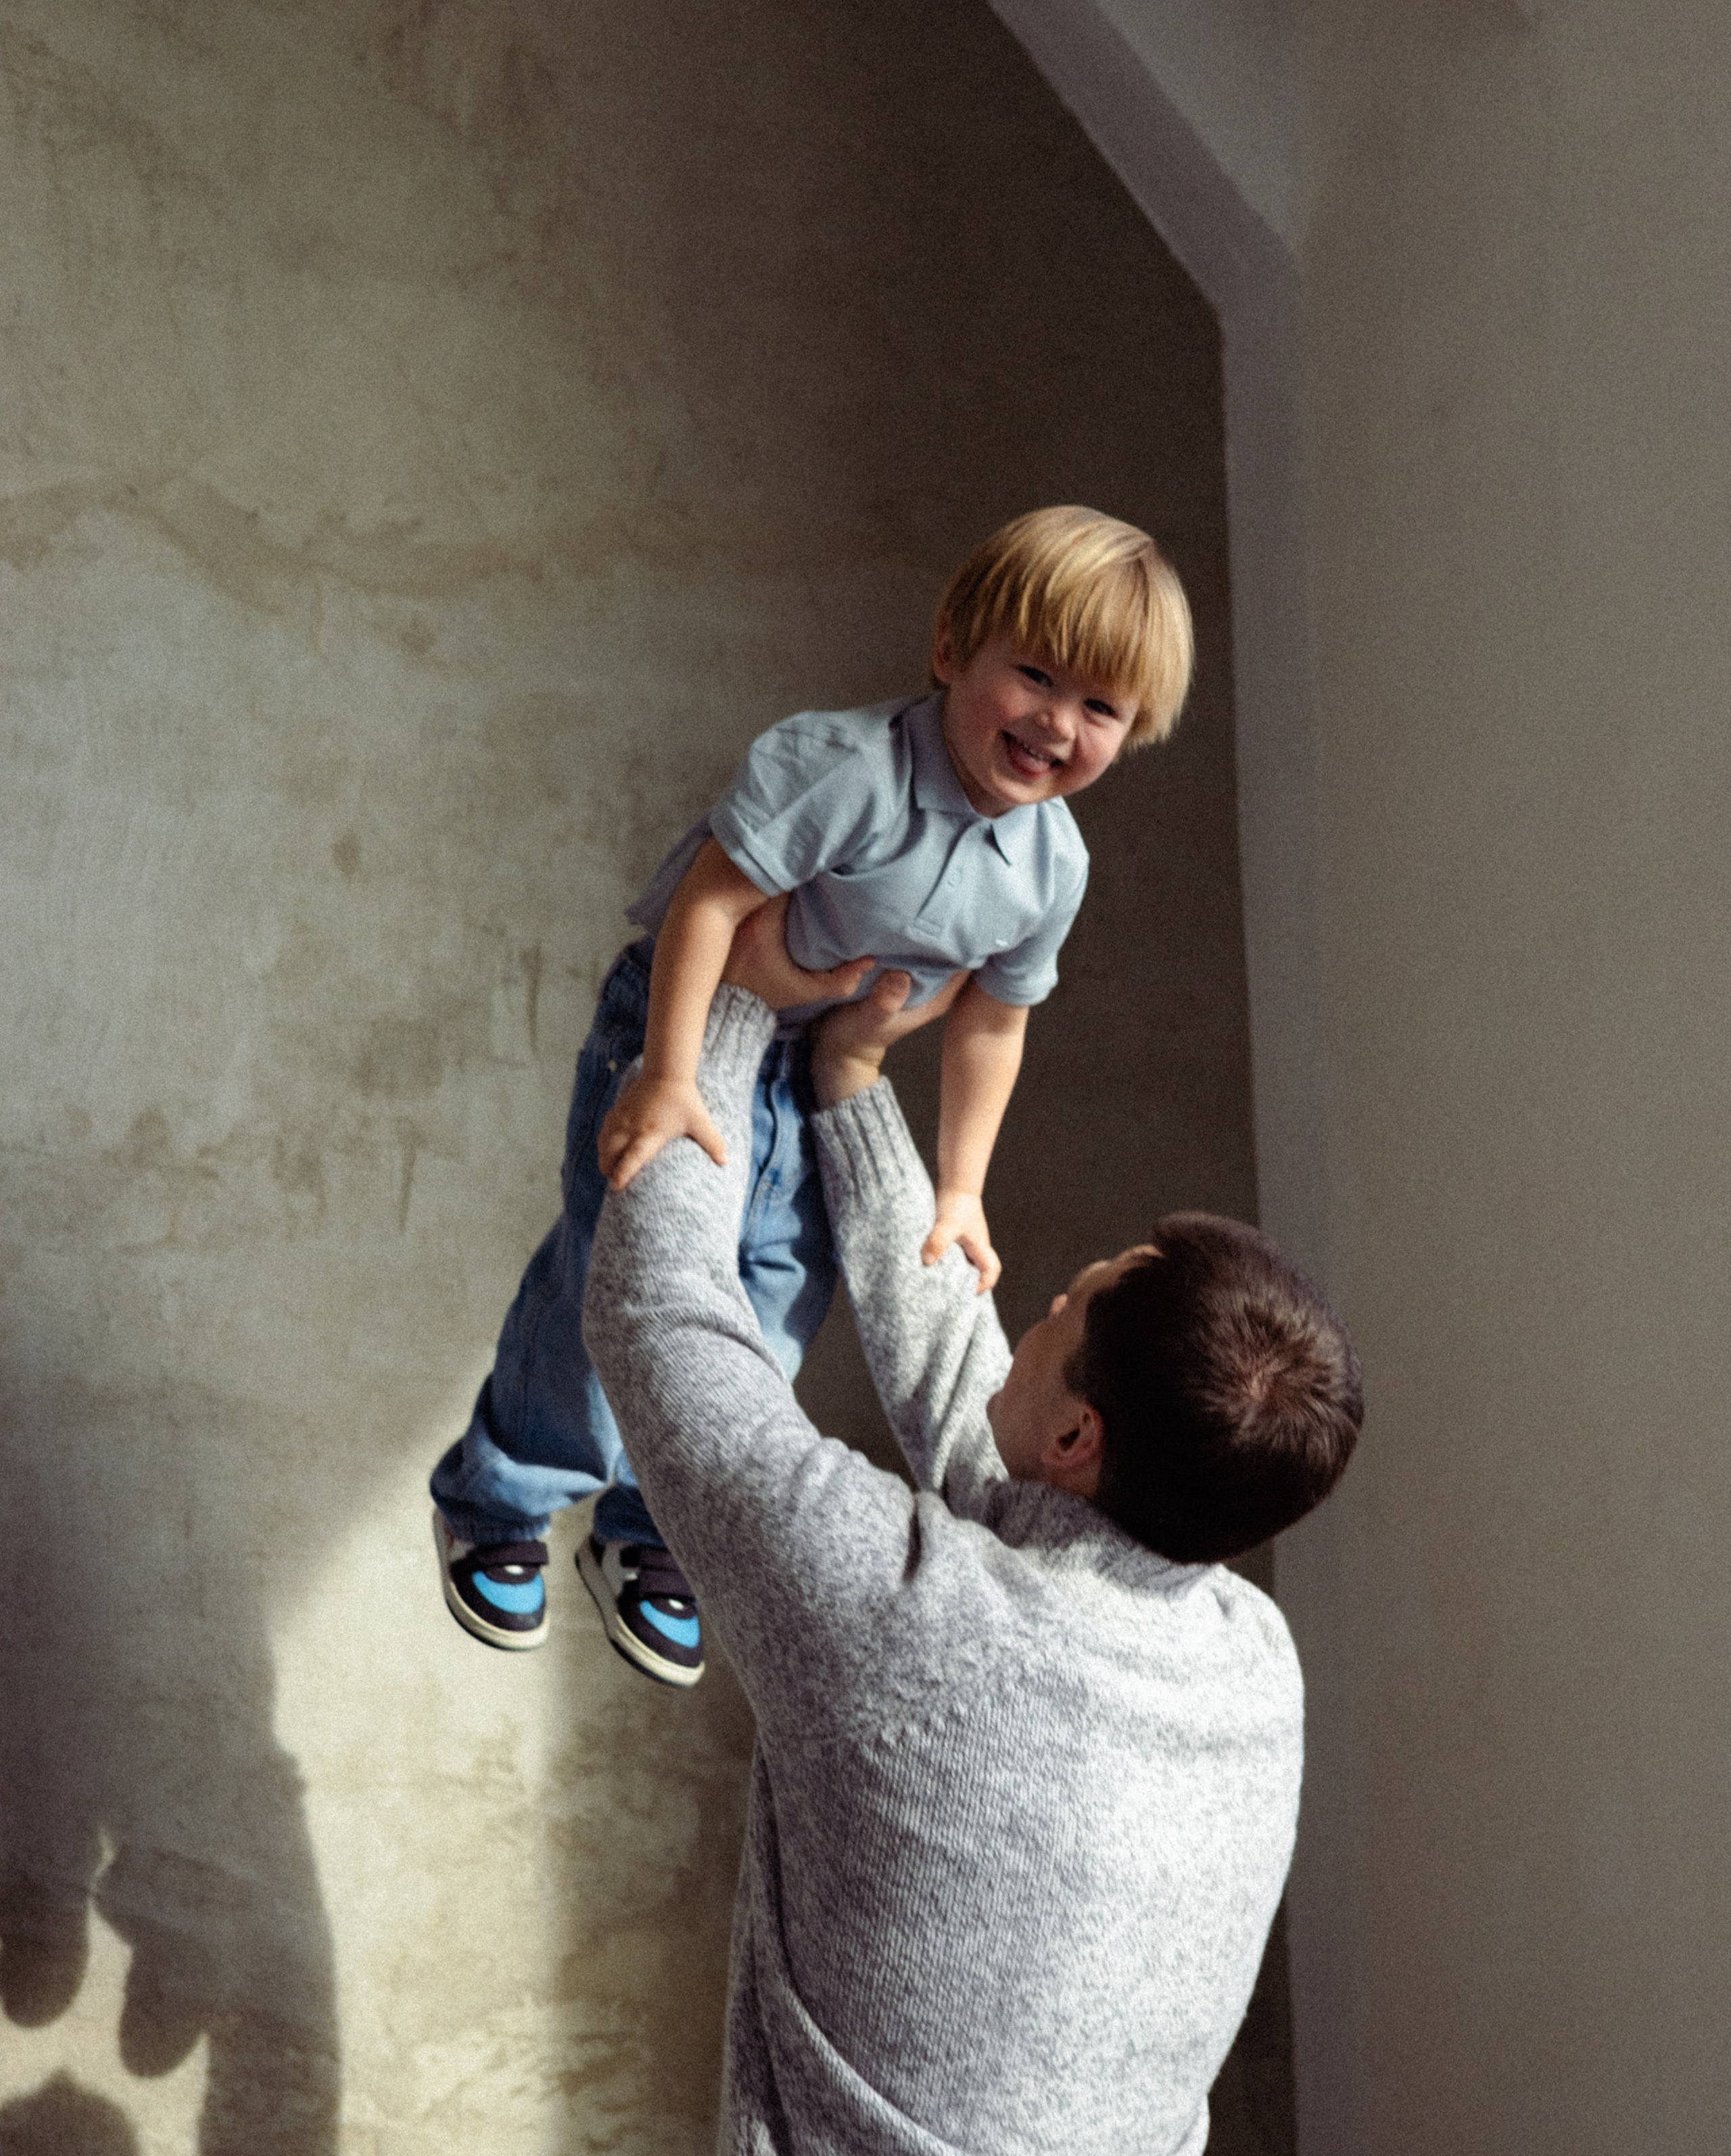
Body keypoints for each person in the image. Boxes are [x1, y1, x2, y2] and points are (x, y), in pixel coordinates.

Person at [580, 906, 1364, 2156]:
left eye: (1058, 1305)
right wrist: (849, 1084)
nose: (1032, 1308)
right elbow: (998, 1459)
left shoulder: (901, 1624)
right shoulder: (1246, 1668)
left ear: (1080, 1437)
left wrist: (731, 1022)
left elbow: (659, 1322)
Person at [429, 506, 1194, 1681]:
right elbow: (710, 905)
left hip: (810, 1068)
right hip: (683, 1016)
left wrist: (961, 1188)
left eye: (1099, 707)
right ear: (952, 648)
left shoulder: (1054, 869)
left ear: (1131, 733)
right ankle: (500, 1495)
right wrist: (670, 1074)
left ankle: (648, 1533)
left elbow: (995, 1019)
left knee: (776, 1298)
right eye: (1033, 674)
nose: (1055, 721)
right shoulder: (841, 768)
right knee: (616, 1265)